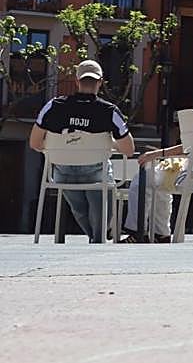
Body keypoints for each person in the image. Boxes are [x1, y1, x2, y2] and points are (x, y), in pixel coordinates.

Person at [121, 75, 193, 242]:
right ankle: (161, 233)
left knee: (144, 178)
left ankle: (137, 231)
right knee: (158, 181)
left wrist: (156, 153)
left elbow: (189, 147)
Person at [28, 60, 135, 242]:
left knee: (79, 209)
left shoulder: (53, 106)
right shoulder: (109, 110)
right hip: (96, 173)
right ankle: (100, 235)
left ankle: (96, 235)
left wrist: (66, 147)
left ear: (77, 81)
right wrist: (108, 143)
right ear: (100, 82)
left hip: (63, 173)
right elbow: (129, 150)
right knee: (102, 192)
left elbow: (35, 143)